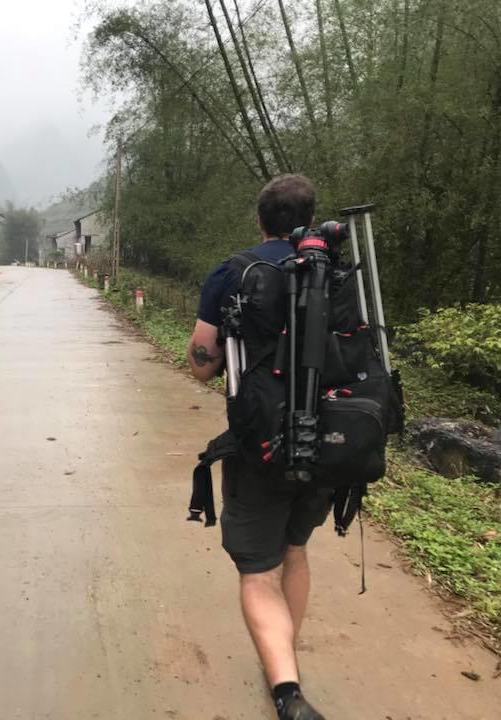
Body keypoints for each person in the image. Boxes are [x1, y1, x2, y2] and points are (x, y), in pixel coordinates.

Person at [186, 174, 332, 720]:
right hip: (330, 442)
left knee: (259, 570)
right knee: (294, 550)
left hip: (262, 446)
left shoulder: (234, 272)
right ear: (310, 219)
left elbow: (202, 362)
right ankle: (284, 660)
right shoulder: (333, 268)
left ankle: (287, 692)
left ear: (260, 219)